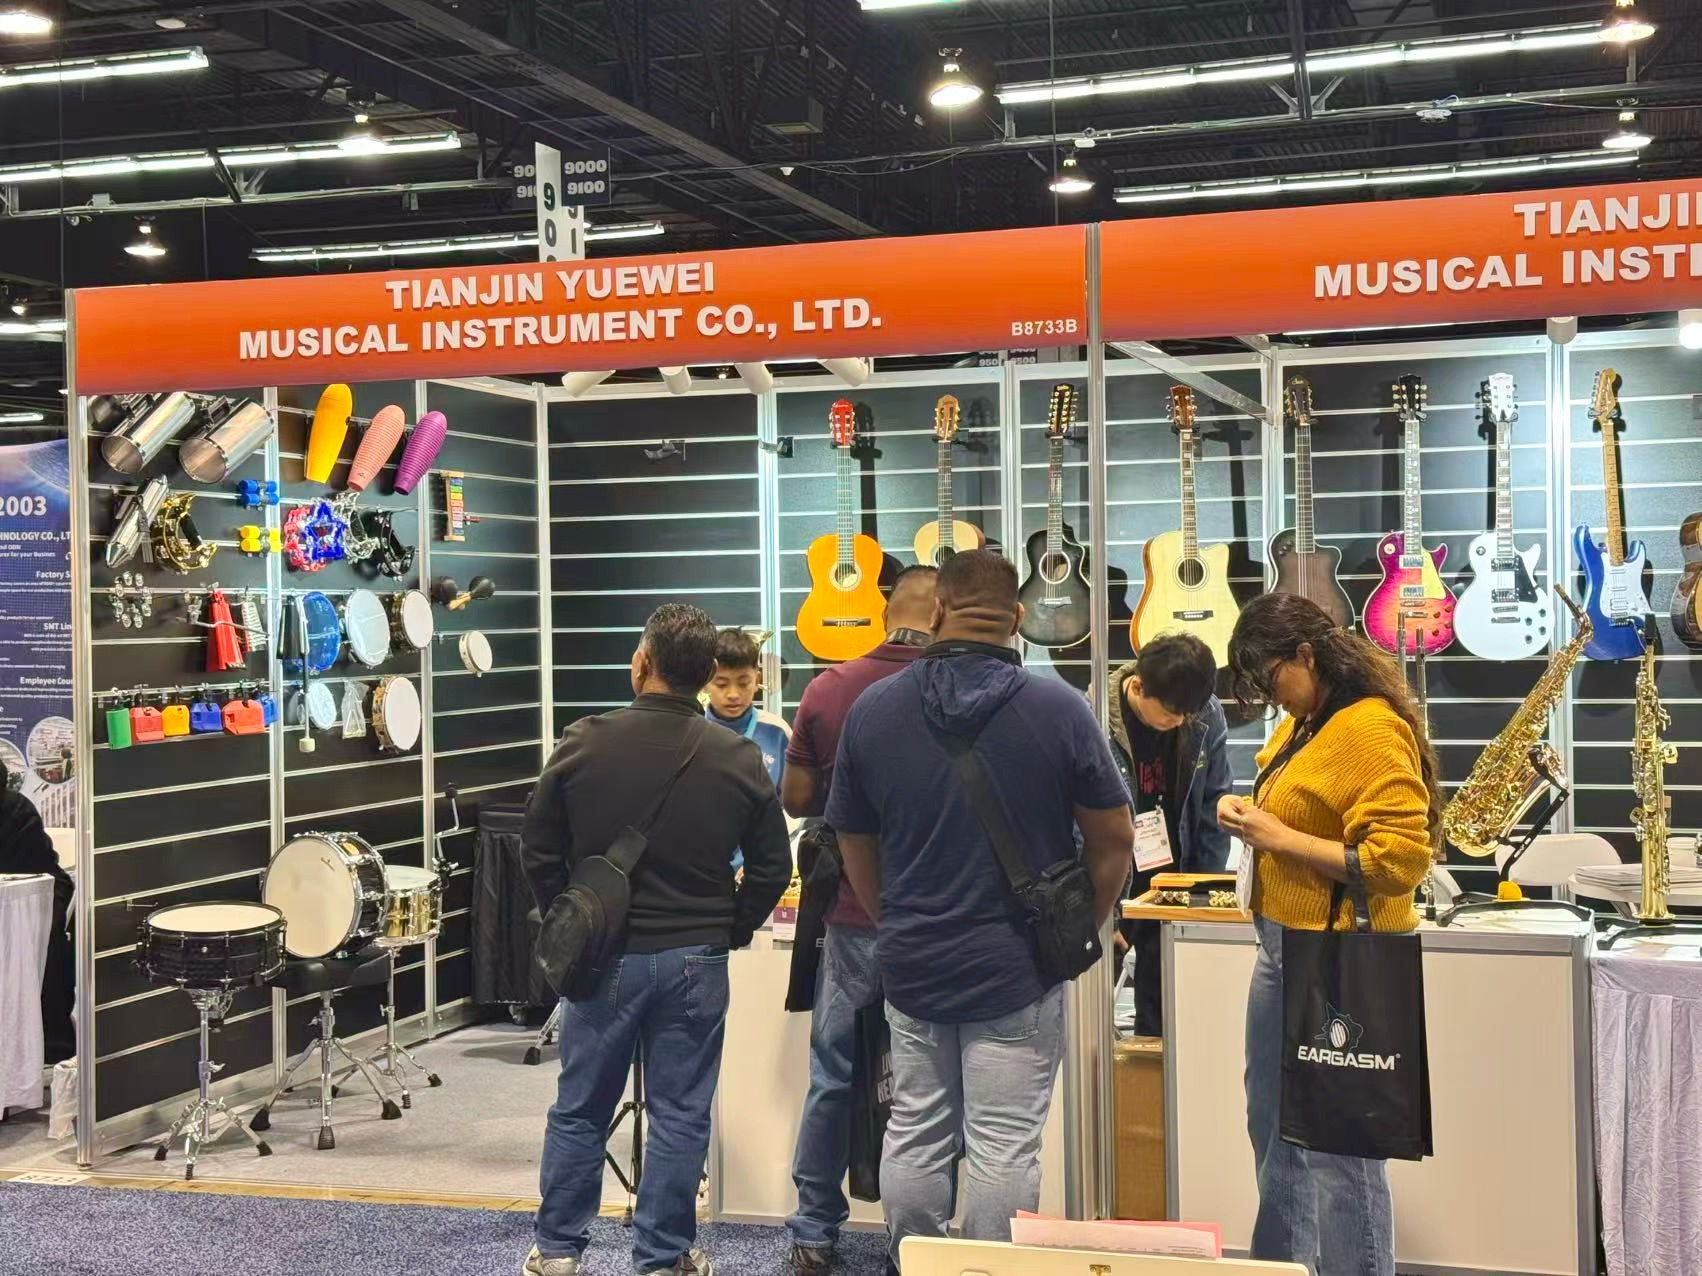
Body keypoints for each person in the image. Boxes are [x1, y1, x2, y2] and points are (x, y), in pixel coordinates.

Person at [825, 550, 1135, 1270]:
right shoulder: (1060, 709)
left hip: (913, 960)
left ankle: (918, 1265)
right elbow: (1115, 838)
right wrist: (1080, 926)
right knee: (1004, 1144)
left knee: (914, 1131)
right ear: (1018, 619)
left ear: (937, 611)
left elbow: (851, 838)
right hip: (1018, 965)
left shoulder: (875, 709)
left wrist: (889, 916)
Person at [521, 603, 792, 1276]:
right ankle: (664, 1257)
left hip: (602, 957)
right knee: (681, 1113)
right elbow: (772, 867)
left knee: (580, 1108)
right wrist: (729, 926)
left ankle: (557, 1252)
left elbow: (537, 848)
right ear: (707, 674)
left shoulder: (584, 741)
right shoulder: (738, 756)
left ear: (641, 664)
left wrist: (570, 918)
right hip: (696, 956)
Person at [1217, 592, 1440, 1276]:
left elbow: (1399, 861)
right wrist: (1248, 813)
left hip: (1337, 956)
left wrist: (1277, 836)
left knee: (1341, 1153)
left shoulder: (1368, 727)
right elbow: (1303, 809)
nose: (1270, 698)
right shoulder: (1309, 722)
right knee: (1274, 1132)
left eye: (1271, 678)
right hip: (1283, 949)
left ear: (1307, 655)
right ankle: (1282, 1266)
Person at [778, 564, 938, 1274]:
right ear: (944, 612)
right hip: (935, 913)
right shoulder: (951, 691)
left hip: (848, 909)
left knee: (832, 1073)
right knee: (926, 1085)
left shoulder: (828, 687)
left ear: (883, 611)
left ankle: (814, 1228)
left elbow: (795, 799)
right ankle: (918, 1239)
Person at [1106, 632, 1233, 1036]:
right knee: (1090, 1017)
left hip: (1176, 880)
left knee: (1168, 1018)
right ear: (1137, 686)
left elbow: (1214, 803)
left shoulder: (1205, 712)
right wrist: (1101, 913)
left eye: (1186, 715)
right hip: (1115, 883)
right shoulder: (1094, 719)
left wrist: (1207, 893)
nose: (1178, 722)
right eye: (1170, 713)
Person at [0, 766, 74, 1065]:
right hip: (15, 895)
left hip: (37, 893)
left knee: (40, 945)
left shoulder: (14, 808)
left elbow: (28, 871)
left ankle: (48, 1043)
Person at [704, 627, 791, 870]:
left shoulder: (777, 732)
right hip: (706, 865)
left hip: (762, 865)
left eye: (743, 683)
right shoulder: (692, 732)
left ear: (757, 680)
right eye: (721, 684)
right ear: (705, 683)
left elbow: (791, 806)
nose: (733, 694)